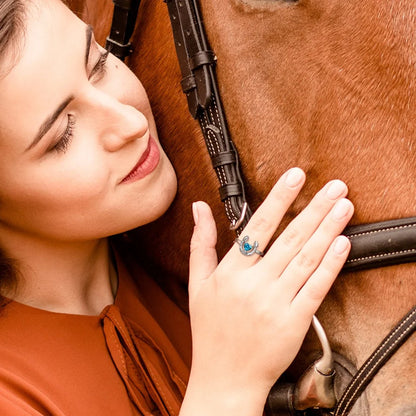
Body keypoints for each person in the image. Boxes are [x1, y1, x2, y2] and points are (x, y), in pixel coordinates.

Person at [0, 0, 354, 415]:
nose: (130, 123)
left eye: (97, 62)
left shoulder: (185, 263)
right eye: (62, 135)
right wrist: (227, 390)